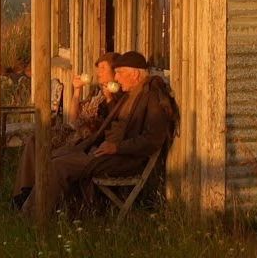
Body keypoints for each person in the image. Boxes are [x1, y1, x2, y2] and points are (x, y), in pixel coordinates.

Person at [24, 50, 178, 216]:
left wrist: (117, 147)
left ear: (134, 73)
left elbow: (152, 140)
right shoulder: (130, 94)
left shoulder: (152, 96)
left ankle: (33, 216)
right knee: (54, 156)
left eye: (119, 73)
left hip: (124, 159)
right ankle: (30, 203)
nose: (116, 78)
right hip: (105, 151)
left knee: (58, 167)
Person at [11, 52, 122, 209]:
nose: (98, 72)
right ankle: (25, 191)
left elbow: (112, 124)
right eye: (98, 68)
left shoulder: (117, 94)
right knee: (34, 140)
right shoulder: (96, 91)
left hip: (83, 140)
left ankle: (36, 197)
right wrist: (76, 91)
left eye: (103, 68)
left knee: (47, 150)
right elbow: (72, 118)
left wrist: (109, 98)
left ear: (114, 70)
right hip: (72, 131)